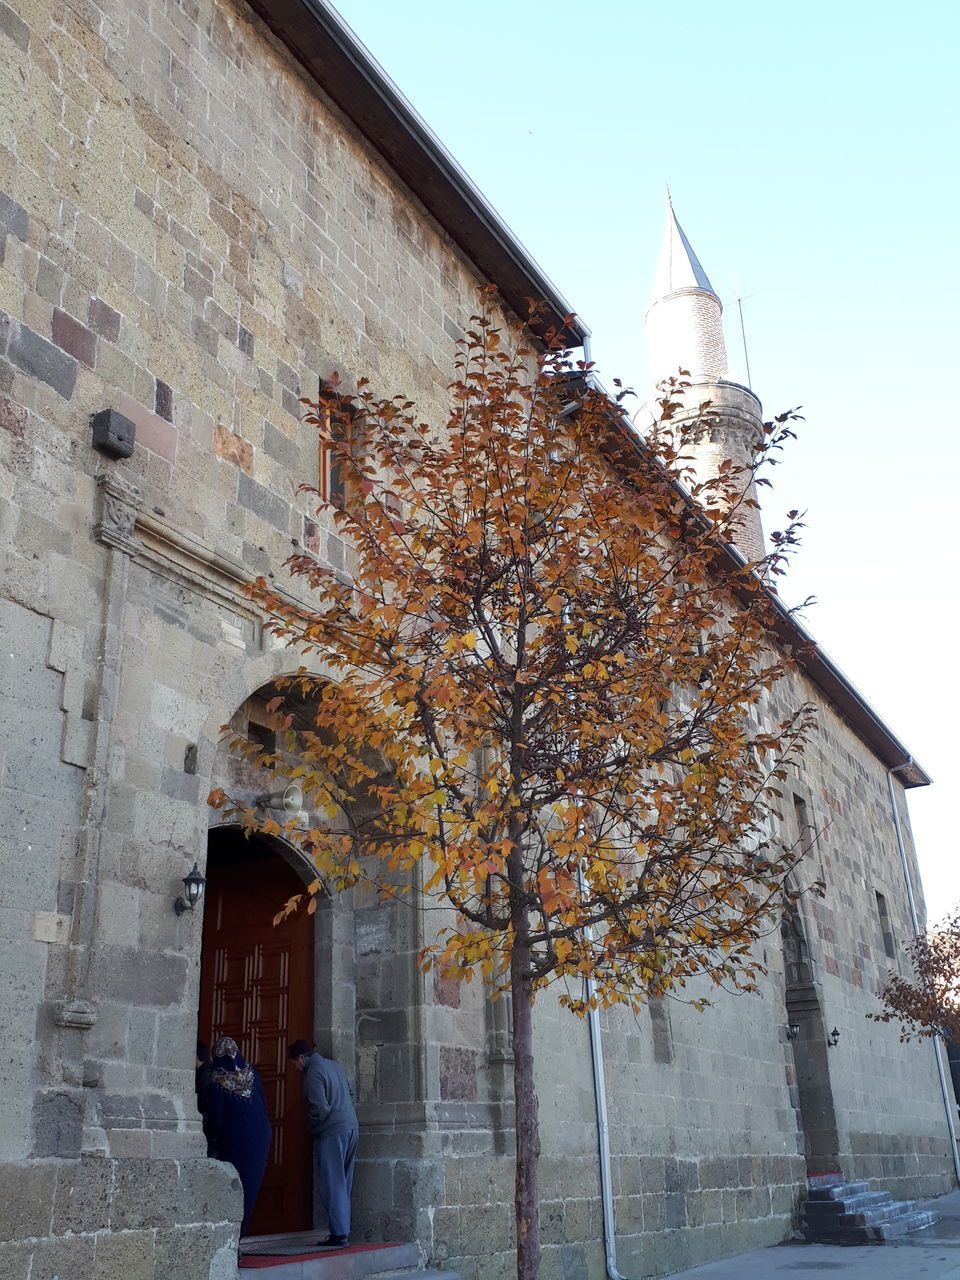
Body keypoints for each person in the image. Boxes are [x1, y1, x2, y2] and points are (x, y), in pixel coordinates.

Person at [288, 1038, 359, 1249]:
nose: (296, 1070)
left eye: (294, 1065)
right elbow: (351, 1094)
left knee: (332, 1183)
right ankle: (343, 1230)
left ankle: (339, 1234)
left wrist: (312, 1130)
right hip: (351, 1126)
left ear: (301, 1058)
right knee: (344, 1182)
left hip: (332, 1132)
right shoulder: (334, 1066)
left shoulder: (313, 1073)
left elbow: (319, 1108)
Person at [203, 1036, 273, 1237]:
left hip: (236, 1138)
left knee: (232, 1188)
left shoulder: (218, 1079)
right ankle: (241, 1234)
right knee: (250, 1187)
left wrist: (212, 1138)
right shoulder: (252, 1073)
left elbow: (216, 1116)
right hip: (260, 1135)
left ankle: (233, 1238)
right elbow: (264, 1104)